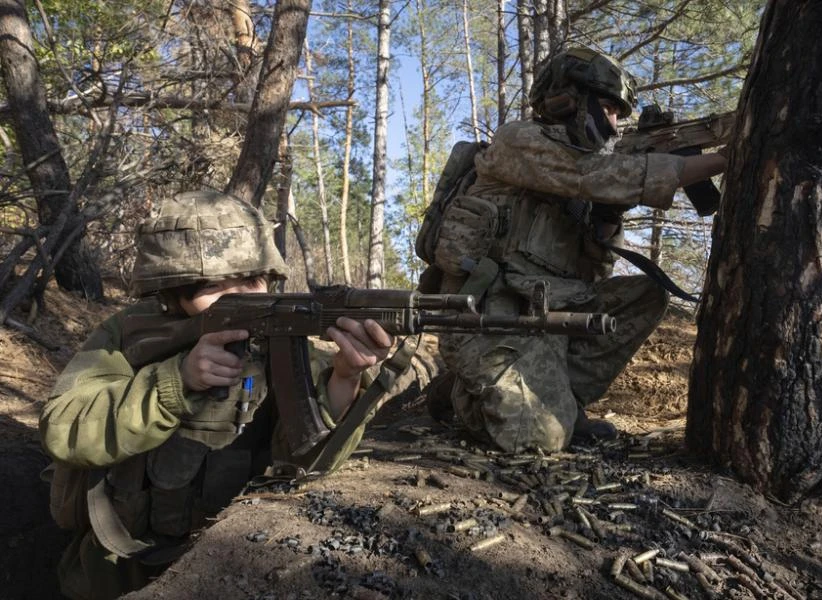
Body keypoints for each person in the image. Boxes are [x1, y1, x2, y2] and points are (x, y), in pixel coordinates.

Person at [39, 191, 394, 600]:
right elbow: (63, 430)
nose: (237, 296)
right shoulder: (129, 334)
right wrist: (176, 380)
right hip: (117, 567)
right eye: (212, 286)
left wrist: (345, 380)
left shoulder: (284, 345)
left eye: (250, 280)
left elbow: (305, 464)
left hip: (232, 567)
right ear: (170, 292)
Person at [429, 47, 726, 453]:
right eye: (607, 108)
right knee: (539, 439)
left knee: (645, 295)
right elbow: (592, 174)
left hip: (552, 316)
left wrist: (608, 216)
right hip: (494, 317)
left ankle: (564, 402)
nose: (615, 124)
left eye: (620, 114)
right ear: (566, 100)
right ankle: (462, 395)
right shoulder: (519, 142)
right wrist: (725, 159)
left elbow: (594, 271)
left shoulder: (585, 175)